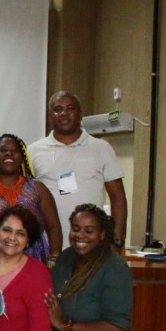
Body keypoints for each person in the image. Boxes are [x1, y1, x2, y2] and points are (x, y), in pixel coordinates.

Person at [28, 92, 128, 248]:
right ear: (49, 116)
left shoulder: (101, 148)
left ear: (80, 114)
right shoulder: (33, 151)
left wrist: (116, 238)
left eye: (70, 108)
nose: (64, 113)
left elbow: (117, 196)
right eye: (58, 109)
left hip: (92, 245)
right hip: (49, 246)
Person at [0, 134, 61, 264]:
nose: (9, 153)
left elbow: (53, 226)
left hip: (33, 263)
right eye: (3, 150)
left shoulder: (39, 189)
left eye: (14, 151)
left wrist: (54, 257)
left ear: (22, 157)